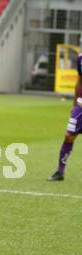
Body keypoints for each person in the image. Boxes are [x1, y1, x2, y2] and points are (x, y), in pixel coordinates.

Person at [48, 51, 82, 181]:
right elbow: (80, 80)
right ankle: (60, 172)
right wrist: (74, 104)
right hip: (80, 107)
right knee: (69, 136)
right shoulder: (80, 58)